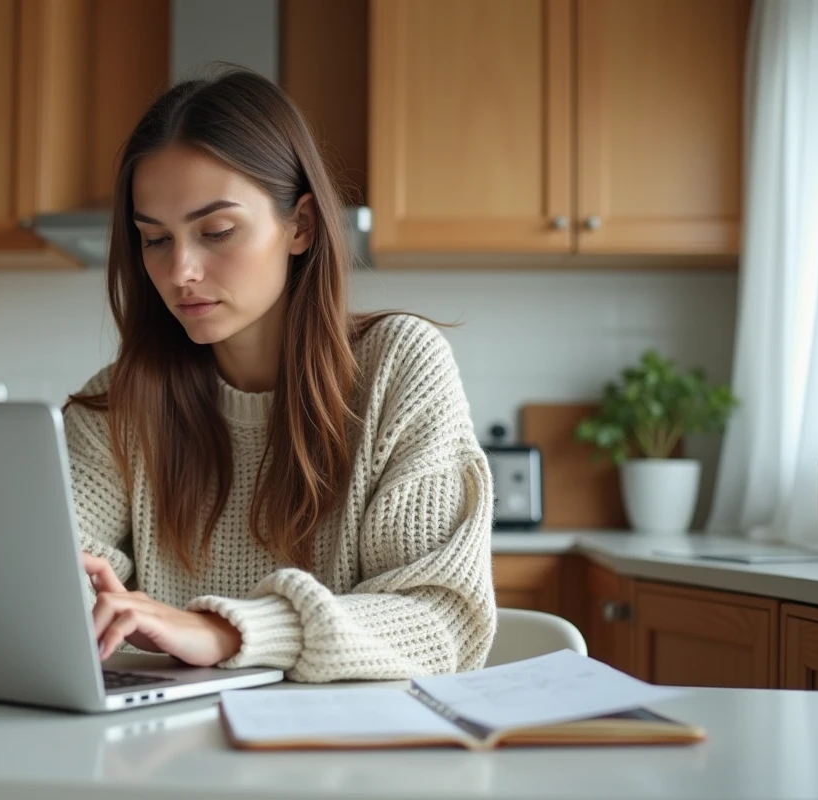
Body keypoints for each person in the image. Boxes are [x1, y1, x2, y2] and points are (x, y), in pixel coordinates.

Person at [62, 67, 496, 683]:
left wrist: (233, 631)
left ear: (302, 226)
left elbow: (440, 620)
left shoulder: (399, 368)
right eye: (155, 240)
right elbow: (61, 588)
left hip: (352, 759)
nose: (180, 270)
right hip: (161, 758)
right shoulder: (116, 405)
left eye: (216, 231)